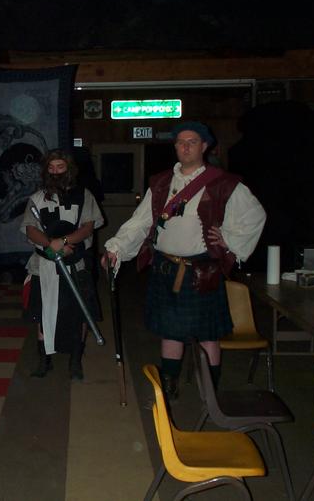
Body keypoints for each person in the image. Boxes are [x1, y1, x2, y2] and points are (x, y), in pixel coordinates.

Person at [102, 121, 266, 399]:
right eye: (180, 142)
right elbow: (141, 222)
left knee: (208, 335)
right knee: (170, 332)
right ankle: (169, 387)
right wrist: (116, 248)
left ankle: (210, 392)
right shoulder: (161, 182)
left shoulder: (223, 183)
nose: (186, 147)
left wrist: (228, 239)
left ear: (205, 146)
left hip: (202, 270)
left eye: (192, 142)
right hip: (165, 267)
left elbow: (254, 215)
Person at [22, 150, 103, 380]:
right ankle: (44, 360)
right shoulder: (37, 198)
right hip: (44, 264)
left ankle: (75, 361)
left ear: (69, 169)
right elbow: (30, 228)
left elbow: (88, 227)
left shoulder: (84, 195)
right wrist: (51, 245)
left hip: (77, 263)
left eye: (60, 167)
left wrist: (65, 241)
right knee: (42, 312)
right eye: (51, 167)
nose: (56, 172)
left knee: (80, 313)